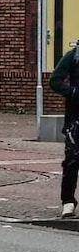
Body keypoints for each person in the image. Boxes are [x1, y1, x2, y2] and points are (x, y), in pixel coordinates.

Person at [50, 44, 79, 217]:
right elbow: (55, 81)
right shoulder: (74, 55)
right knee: (72, 160)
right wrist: (74, 92)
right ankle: (68, 201)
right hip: (76, 118)